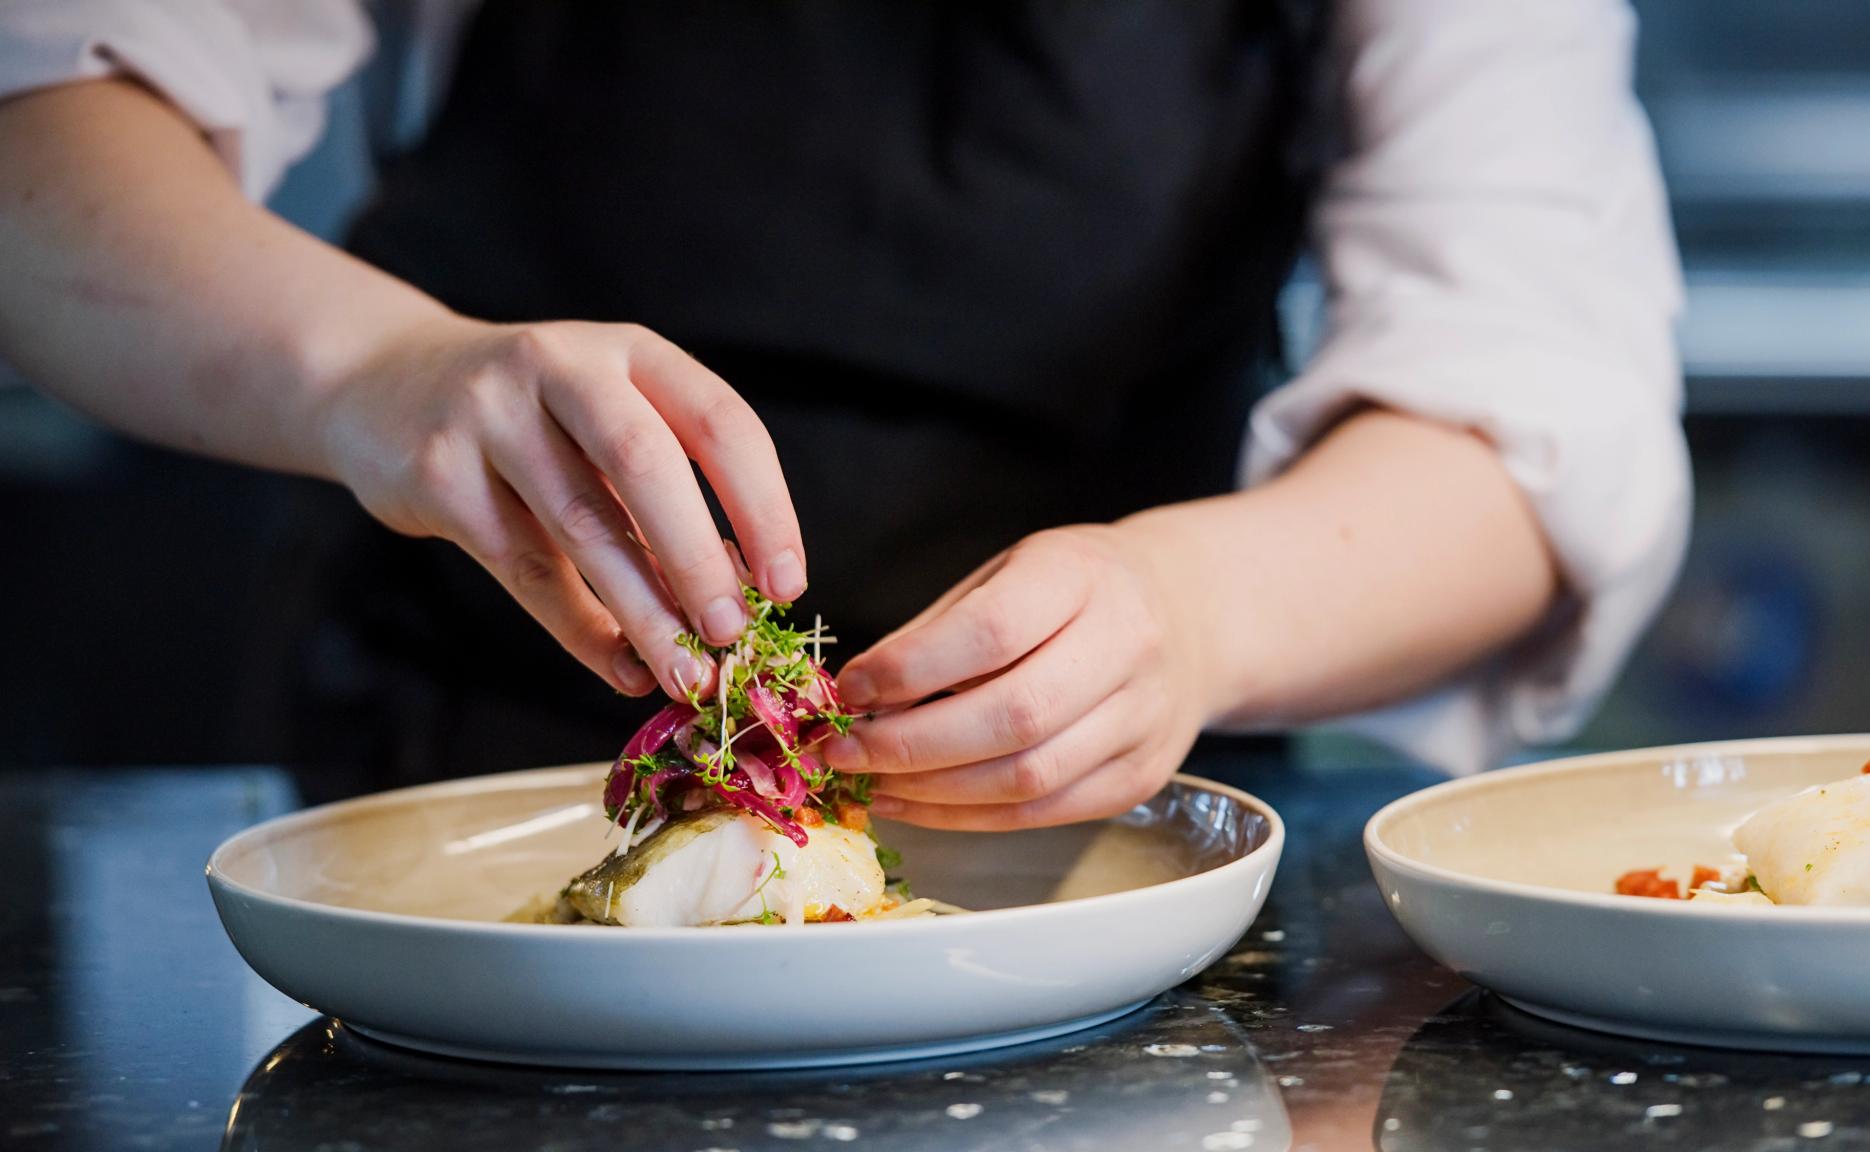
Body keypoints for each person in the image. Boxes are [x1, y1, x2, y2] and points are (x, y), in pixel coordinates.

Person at [0, 1, 1687, 830]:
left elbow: (1530, 413)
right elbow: (42, 132)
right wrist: (380, 374)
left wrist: (1194, 612)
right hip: (468, 787)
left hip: (1091, 859)